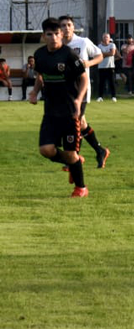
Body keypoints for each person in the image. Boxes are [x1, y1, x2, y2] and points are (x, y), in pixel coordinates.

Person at [29, 18, 90, 197]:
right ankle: (74, 164)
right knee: (46, 150)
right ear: (43, 37)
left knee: (71, 155)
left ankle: (81, 188)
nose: (54, 37)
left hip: (70, 112)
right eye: (50, 34)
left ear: (62, 35)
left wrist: (79, 100)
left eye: (57, 34)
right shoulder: (39, 55)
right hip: (50, 112)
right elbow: (40, 77)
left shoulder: (69, 54)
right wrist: (34, 92)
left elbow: (84, 78)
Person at [59, 16, 110, 169]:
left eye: (69, 25)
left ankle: (73, 160)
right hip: (65, 90)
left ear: (73, 27)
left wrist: (88, 63)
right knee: (81, 124)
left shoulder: (83, 42)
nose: (66, 28)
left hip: (81, 89)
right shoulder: (58, 46)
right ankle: (100, 150)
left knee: (73, 123)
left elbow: (99, 55)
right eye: (63, 25)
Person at [96, 33, 117, 102]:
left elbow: (112, 53)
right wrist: (106, 53)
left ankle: (113, 96)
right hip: (101, 66)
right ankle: (100, 96)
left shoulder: (112, 45)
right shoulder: (99, 46)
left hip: (110, 66)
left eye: (107, 37)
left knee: (112, 82)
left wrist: (103, 54)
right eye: (104, 37)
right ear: (102, 38)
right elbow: (98, 54)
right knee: (101, 82)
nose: (106, 38)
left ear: (109, 38)